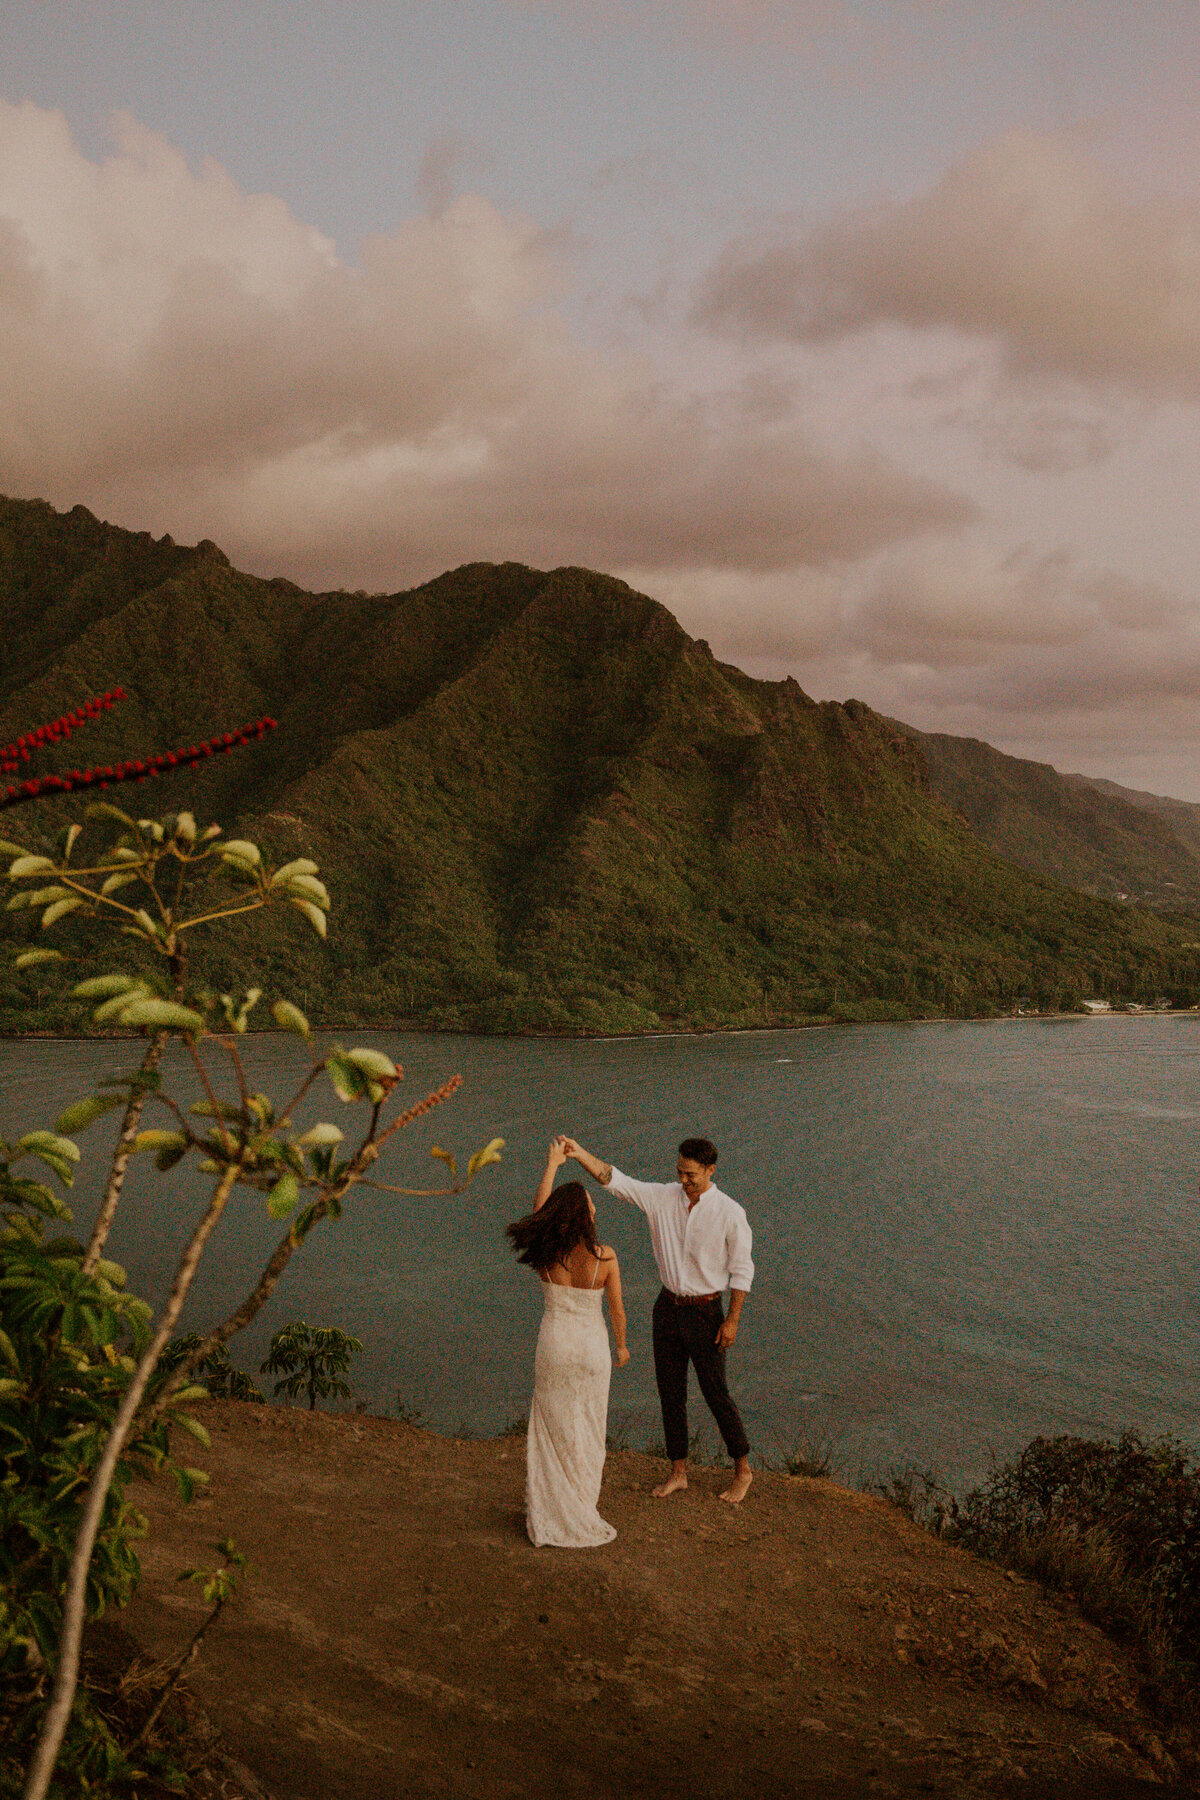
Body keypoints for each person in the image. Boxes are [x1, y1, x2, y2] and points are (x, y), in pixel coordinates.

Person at [559, 1134, 754, 1504]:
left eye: (691, 1174)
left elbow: (742, 1271)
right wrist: (580, 1153)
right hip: (667, 1308)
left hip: (707, 1311)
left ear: (711, 1171)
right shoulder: (661, 1197)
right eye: (679, 1172)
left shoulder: (730, 1212)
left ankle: (743, 1468)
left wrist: (732, 1320)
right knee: (670, 1392)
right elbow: (615, 1180)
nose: (683, 1180)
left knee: (716, 1392)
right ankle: (678, 1471)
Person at [506, 1139, 629, 1548]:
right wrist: (623, 1346)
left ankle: (552, 1510)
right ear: (584, 1215)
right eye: (592, 1204)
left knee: (552, 1425)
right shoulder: (605, 1257)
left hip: (555, 1344)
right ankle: (581, 1505)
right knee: (589, 1426)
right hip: (592, 1349)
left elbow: (540, 1212)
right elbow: (617, 1312)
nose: (596, 1207)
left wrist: (552, 1165)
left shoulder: (547, 1253)